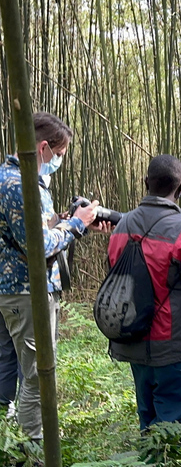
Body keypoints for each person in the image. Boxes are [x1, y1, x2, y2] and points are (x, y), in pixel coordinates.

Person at [0, 111, 108, 440]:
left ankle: (9, 440)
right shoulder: (22, 185)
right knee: (36, 377)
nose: (58, 162)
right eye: (58, 156)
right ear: (44, 147)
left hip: (10, 289)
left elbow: (25, 232)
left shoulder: (7, 176)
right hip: (26, 291)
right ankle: (35, 450)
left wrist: (71, 221)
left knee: (7, 370)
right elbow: (40, 247)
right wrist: (76, 224)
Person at [106, 154, 181, 431]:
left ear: (145, 183)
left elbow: (114, 277)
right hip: (175, 347)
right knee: (176, 429)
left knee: (150, 425)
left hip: (132, 340)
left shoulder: (122, 226)